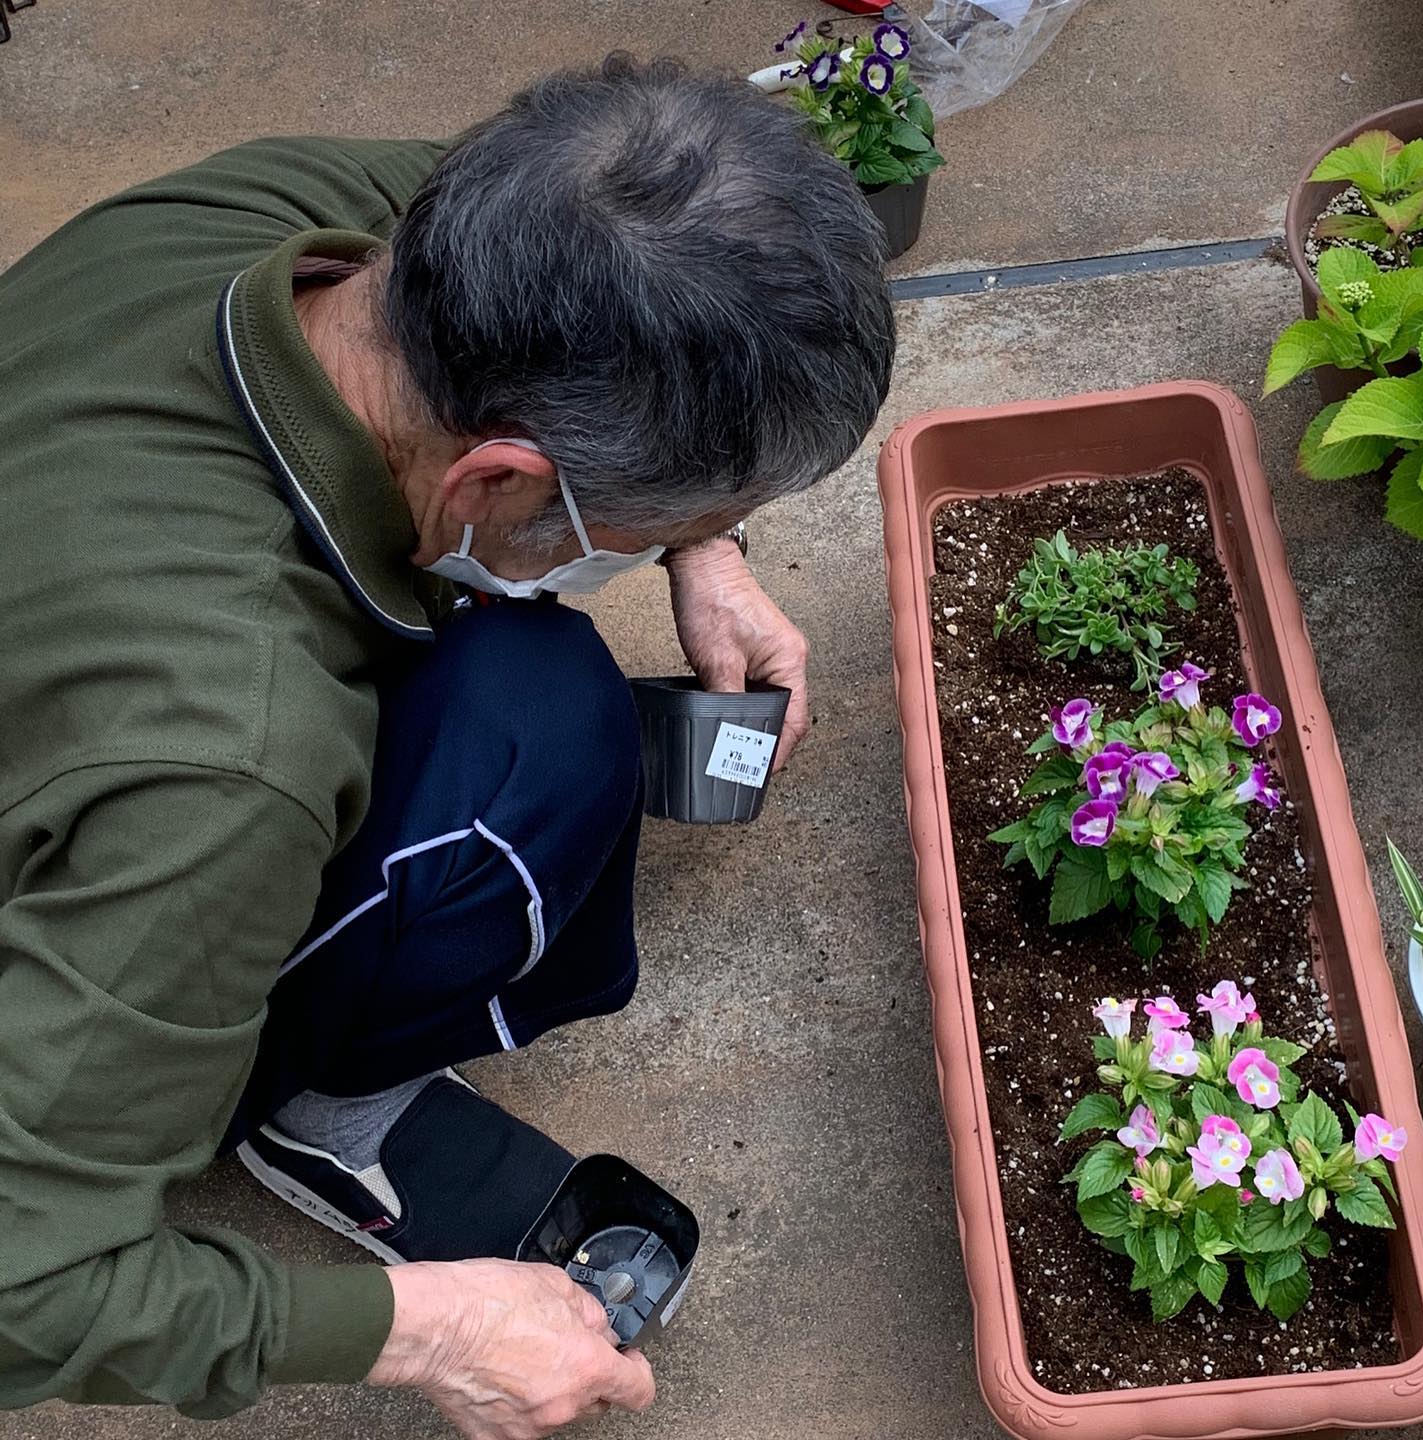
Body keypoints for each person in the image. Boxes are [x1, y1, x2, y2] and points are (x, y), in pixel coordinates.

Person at [0, 52, 894, 1439]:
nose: (649, 555)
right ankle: (309, 1110)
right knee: (547, 734)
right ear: (502, 477)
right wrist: (428, 1334)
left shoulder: (302, 215)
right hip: (66, 904)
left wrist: (703, 539)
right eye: (638, 532)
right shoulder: (229, 767)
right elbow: (23, 1288)